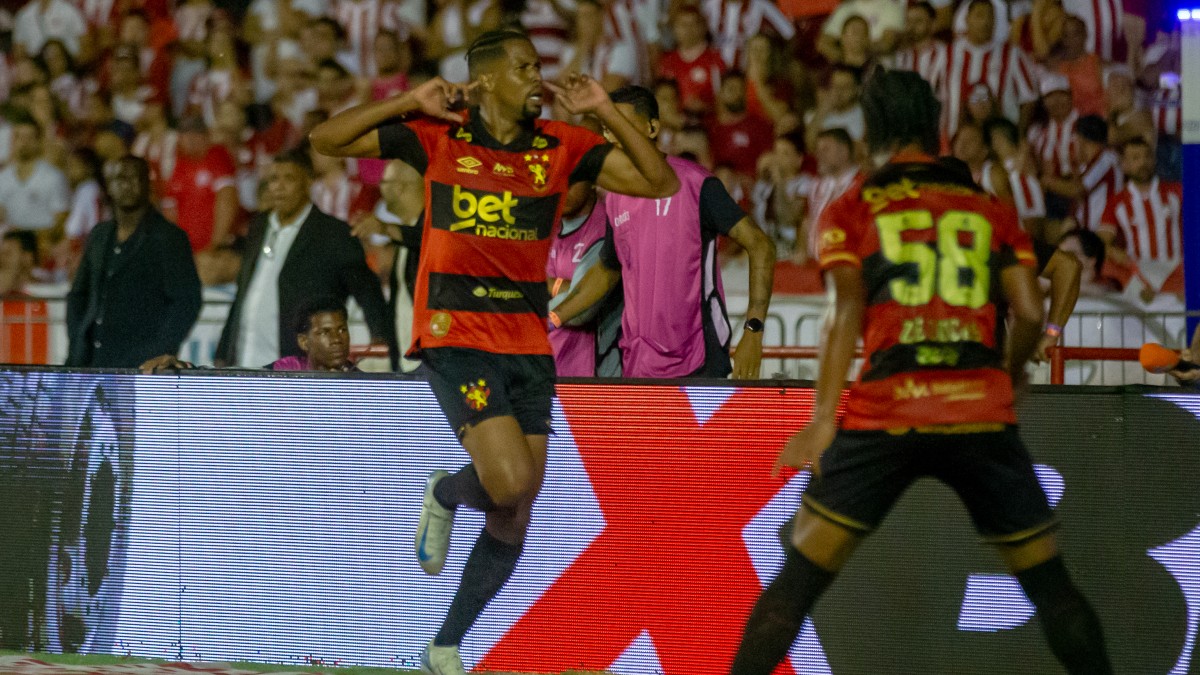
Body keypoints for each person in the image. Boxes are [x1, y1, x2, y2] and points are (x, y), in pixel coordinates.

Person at [308, 28, 679, 675]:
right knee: (508, 480)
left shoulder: (561, 146)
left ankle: (444, 644)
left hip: (528, 341)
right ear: (485, 81)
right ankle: (448, 493)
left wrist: (604, 108)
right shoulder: (439, 136)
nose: (538, 76)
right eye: (525, 67)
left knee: (516, 508)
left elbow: (660, 179)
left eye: (539, 65)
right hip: (456, 336)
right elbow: (324, 139)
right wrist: (408, 100)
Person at [727, 70, 1112, 675]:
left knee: (795, 587)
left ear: (871, 131)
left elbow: (845, 313)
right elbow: (1034, 308)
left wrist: (823, 418)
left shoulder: (852, 207)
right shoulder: (990, 207)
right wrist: (1009, 377)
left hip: (887, 411)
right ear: (935, 127)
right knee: (1053, 591)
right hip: (978, 412)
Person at [550, 85, 775, 379]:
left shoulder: (696, 183)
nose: (615, 137)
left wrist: (753, 331)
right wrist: (554, 318)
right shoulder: (616, 196)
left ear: (653, 127)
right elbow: (608, 270)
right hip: (637, 363)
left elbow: (761, 245)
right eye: (608, 129)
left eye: (623, 125)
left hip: (699, 360)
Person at [213, 149, 390, 368]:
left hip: (297, 367)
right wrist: (223, 351)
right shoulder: (258, 227)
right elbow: (244, 294)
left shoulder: (332, 233)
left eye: (289, 178)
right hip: (244, 360)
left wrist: (380, 337)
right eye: (273, 179)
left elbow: (367, 290)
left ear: (307, 183)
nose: (279, 186)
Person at [66, 156, 203, 368]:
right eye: (120, 178)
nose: (127, 185)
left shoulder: (169, 238)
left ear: (147, 184)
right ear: (109, 186)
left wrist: (159, 352)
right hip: (89, 362)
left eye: (135, 178)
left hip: (141, 366)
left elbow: (186, 302)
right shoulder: (99, 235)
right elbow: (78, 294)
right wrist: (77, 339)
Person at [142, 294, 358, 373]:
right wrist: (186, 369)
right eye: (325, 332)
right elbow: (232, 378)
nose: (337, 339)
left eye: (342, 330)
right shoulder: (285, 371)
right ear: (304, 341)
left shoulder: (366, 386)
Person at [351, 159, 426, 372]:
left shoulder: (430, 233)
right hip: (406, 366)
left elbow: (429, 240)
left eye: (384, 181)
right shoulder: (401, 240)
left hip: (431, 366)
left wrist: (387, 229)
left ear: (400, 187)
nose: (379, 187)